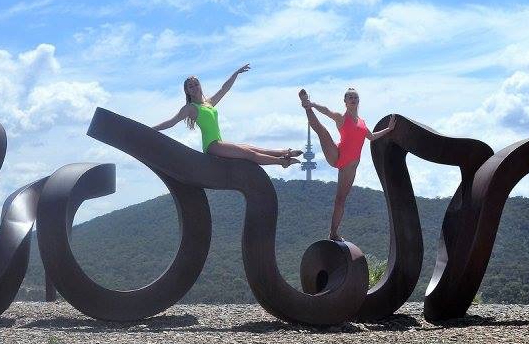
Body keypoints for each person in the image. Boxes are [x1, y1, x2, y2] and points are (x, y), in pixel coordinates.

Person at [154, 64, 302, 167]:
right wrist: (151, 129)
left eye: (196, 84)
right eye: (190, 86)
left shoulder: (208, 103)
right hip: (211, 145)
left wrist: (236, 73)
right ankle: (283, 162)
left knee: (253, 148)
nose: (194, 87)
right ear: (187, 91)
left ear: (200, 85)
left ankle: (285, 152)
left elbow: (224, 89)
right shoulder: (190, 108)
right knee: (249, 154)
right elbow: (171, 122)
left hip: (219, 142)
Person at [298, 88, 396, 241]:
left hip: (350, 167)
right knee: (322, 131)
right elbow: (327, 111)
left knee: (340, 200)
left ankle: (333, 233)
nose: (353, 99)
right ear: (345, 102)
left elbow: (371, 137)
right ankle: (306, 104)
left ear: (358, 100)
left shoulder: (362, 123)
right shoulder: (341, 117)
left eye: (355, 97)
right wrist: (312, 104)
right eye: (350, 97)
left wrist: (389, 129)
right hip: (337, 155)